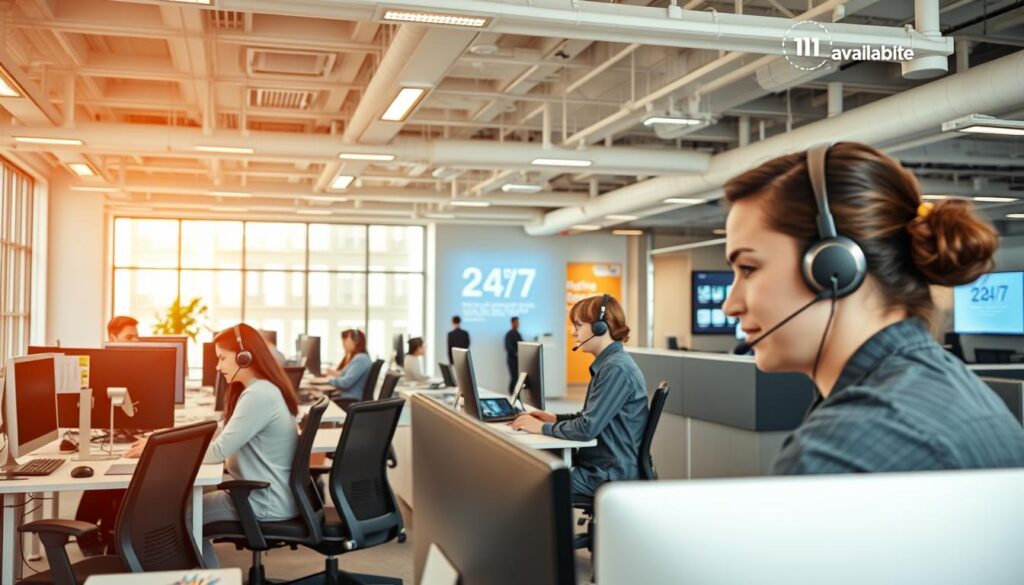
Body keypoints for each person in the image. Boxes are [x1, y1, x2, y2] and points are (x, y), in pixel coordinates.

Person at [720, 141, 1024, 474]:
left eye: (748, 268)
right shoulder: (952, 389)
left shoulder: (845, 448)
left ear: (832, 268)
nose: (730, 305)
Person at [125, 323, 299, 567]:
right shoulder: (260, 390)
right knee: (184, 506)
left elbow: (217, 451)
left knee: (181, 518)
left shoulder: (258, 396)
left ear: (244, 356)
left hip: (262, 501)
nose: (217, 366)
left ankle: (210, 581)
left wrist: (158, 450)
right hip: (263, 494)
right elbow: (219, 430)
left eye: (222, 358)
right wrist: (165, 436)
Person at [510, 295, 648, 497]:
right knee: (531, 464)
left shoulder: (616, 369)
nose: (573, 332)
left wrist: (541, 427)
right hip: (602, 466)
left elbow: (587, 429)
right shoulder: (610, 364)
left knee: (526, 477)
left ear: (600, 328)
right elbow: (590, 417)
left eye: (578, 325)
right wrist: (555, 419)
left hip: (607, 474)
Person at [75, 315, 143, 556]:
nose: (135, 341)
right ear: (112, 338)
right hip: (107, 434)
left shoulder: (143, 362)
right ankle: (97, 533)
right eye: (128, 337)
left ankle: (110, 533)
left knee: (122, 470)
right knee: (106, 469)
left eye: (137, 336)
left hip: (132, 435)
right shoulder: (99, 364)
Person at [323, 329, 371, 401]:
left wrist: (328, 379)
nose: (343, 344)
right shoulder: (359, 357)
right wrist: (330, 374)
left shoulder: (361, 359)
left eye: (345, 340)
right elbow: (343, 373)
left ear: (356, 341)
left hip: (350, 400)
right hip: (347, 398)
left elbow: (345, 383)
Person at [504, 316, 523, 393]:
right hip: (512, 360)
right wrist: (516, 353)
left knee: (517, 377)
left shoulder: (518, 334)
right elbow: (508, 347)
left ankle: (515, 394)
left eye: (518, 322)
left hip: (517, 360)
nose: (518, 324)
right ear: (512, 323)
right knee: (514, 377)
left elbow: (522, 344)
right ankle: (512, 393)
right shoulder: (509, 334)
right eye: (516, 322)